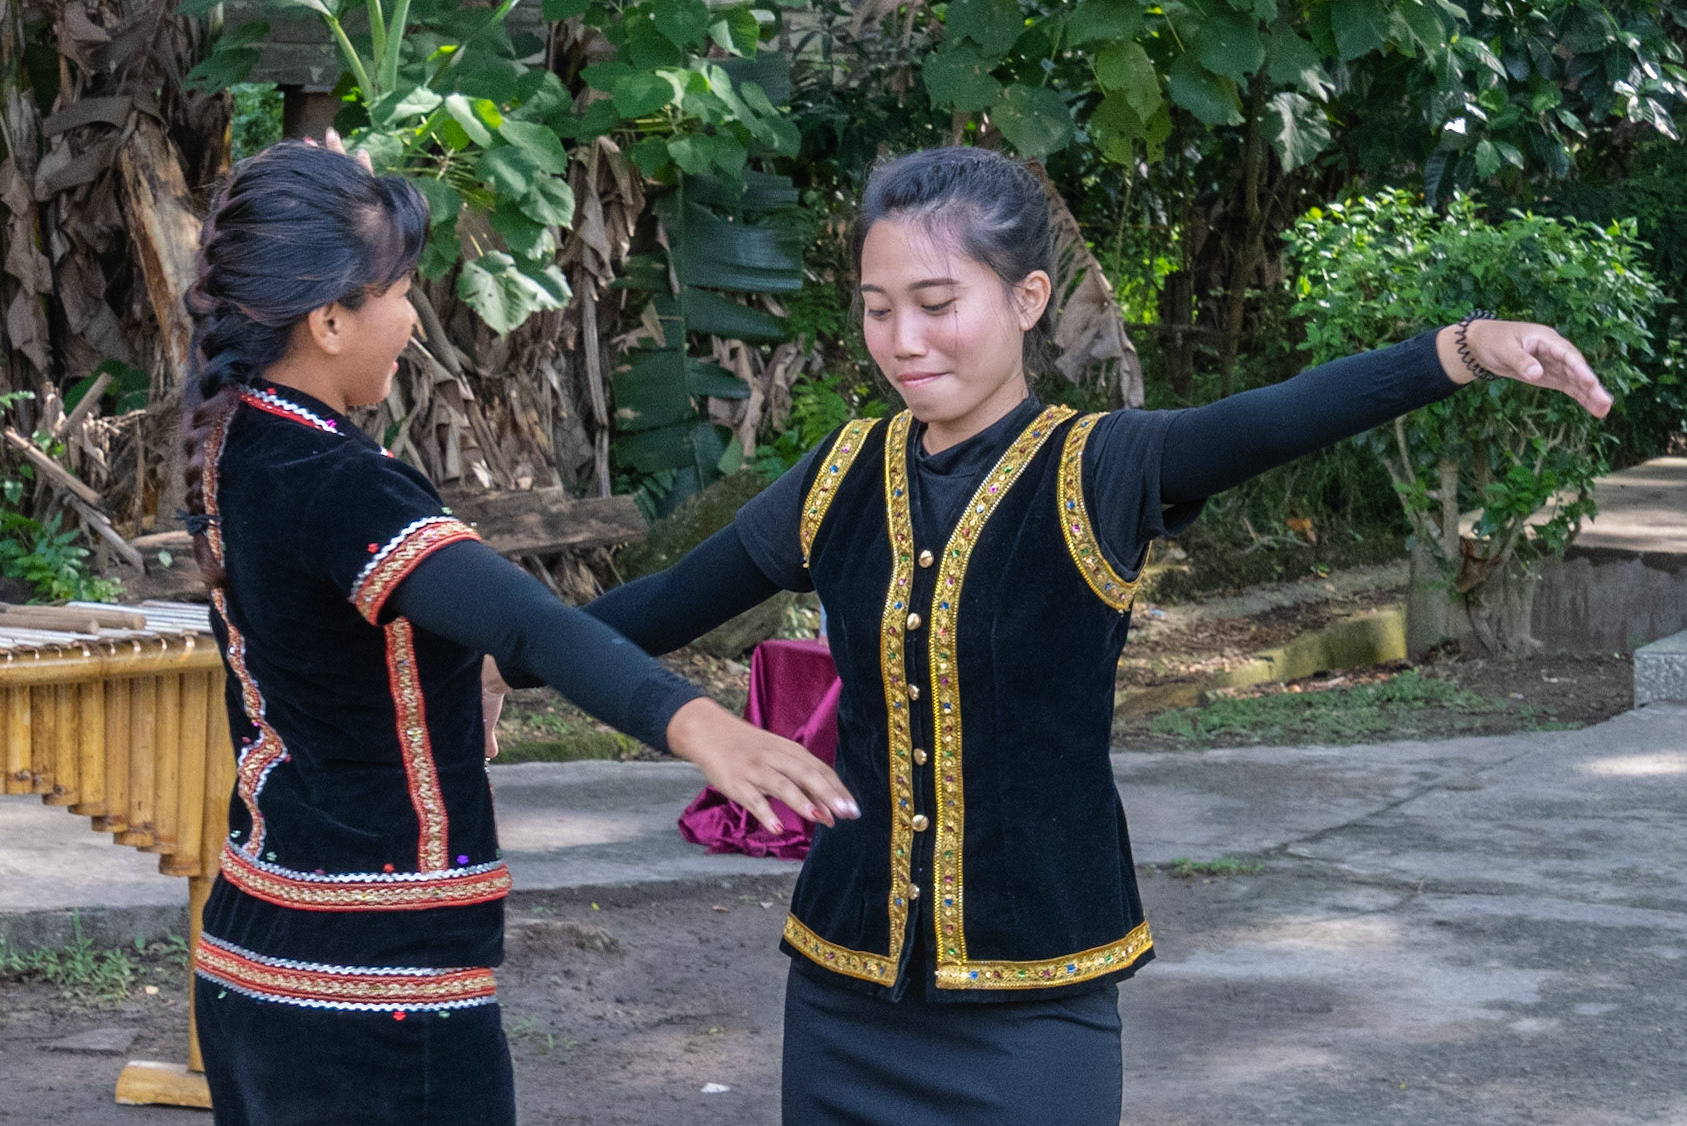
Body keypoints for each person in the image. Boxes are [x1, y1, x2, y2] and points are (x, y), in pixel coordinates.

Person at [575, 146, 1612, 1124]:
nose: (902, 340)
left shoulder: (1098, 467)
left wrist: (1462, 349)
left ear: (1026, 300)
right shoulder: (840, 475)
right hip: (844, 992)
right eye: (878, 308)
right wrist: (490, 650)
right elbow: (654, 608)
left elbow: (1274, 418)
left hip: (1037, 999)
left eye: (938, 305)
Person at [179, 137, 859, 1126]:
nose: (414, 319)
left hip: (254, 962)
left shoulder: (233, 437)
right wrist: (702, 726)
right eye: (400, 289)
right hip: (373, 994)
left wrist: (324, 194)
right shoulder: (336, 482)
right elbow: (524, 621)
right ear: (327, 318)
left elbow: (424, 638)